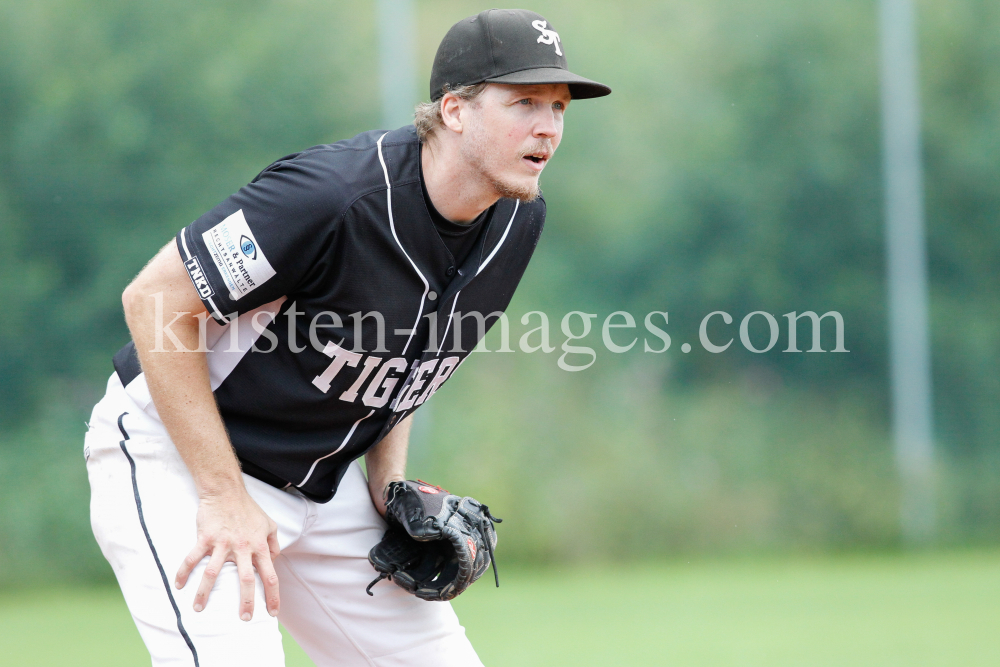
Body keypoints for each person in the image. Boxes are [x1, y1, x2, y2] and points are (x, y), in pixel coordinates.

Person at [84, 8, 609, 666]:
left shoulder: (516, 223)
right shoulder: (331, 196)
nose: (547, 127)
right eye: (525, 101)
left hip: (321, 488)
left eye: (559, 107)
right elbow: (154, 300)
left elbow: (407, 360)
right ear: (454, 110)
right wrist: (221, 494)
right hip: (184, 460)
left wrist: (387, 487)